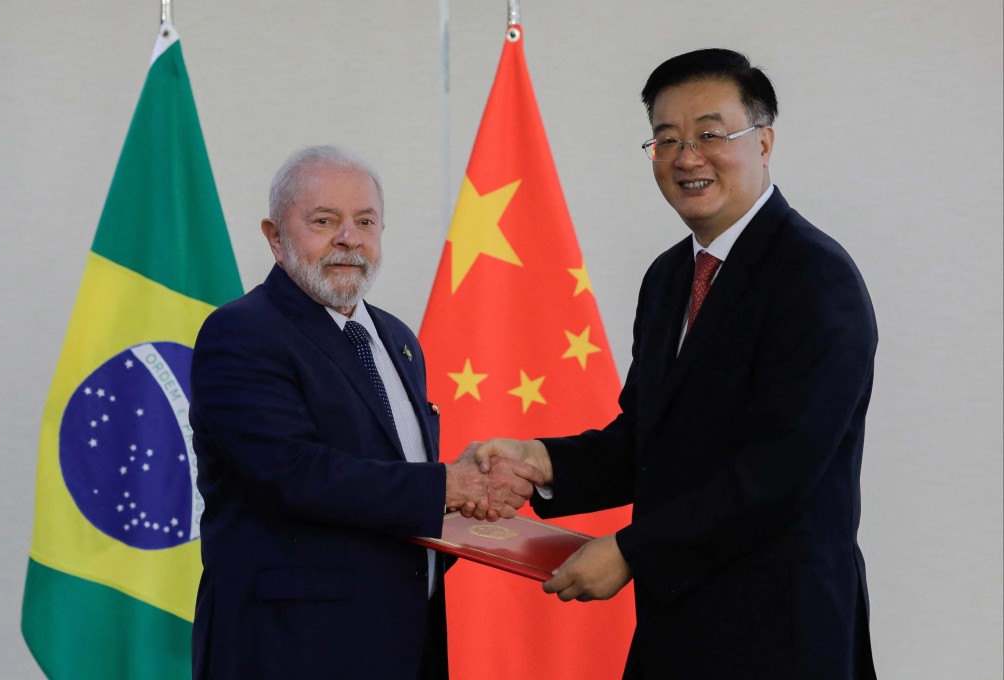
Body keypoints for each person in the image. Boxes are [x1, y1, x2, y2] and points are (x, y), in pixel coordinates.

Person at [469, 49, 879, 678]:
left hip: (782, 632)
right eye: (667, 139)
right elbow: (647, 440)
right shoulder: (668, 278)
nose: (688, 157)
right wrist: (539, 462)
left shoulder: (816, 279)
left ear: (763, 141)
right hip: (680, 624)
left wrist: (633, 550)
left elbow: (781, 472)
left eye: (711, 134)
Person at [189, 145, 542, 680]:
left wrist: (476, 491)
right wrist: (449, 486)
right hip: (290, 649)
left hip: (404, 638)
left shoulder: (397, 338)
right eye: (323, 220)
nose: (348, 238)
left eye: (365, 221)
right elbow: (293, 474)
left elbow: (393, 479)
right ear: (274, 237)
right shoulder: (242, 332)